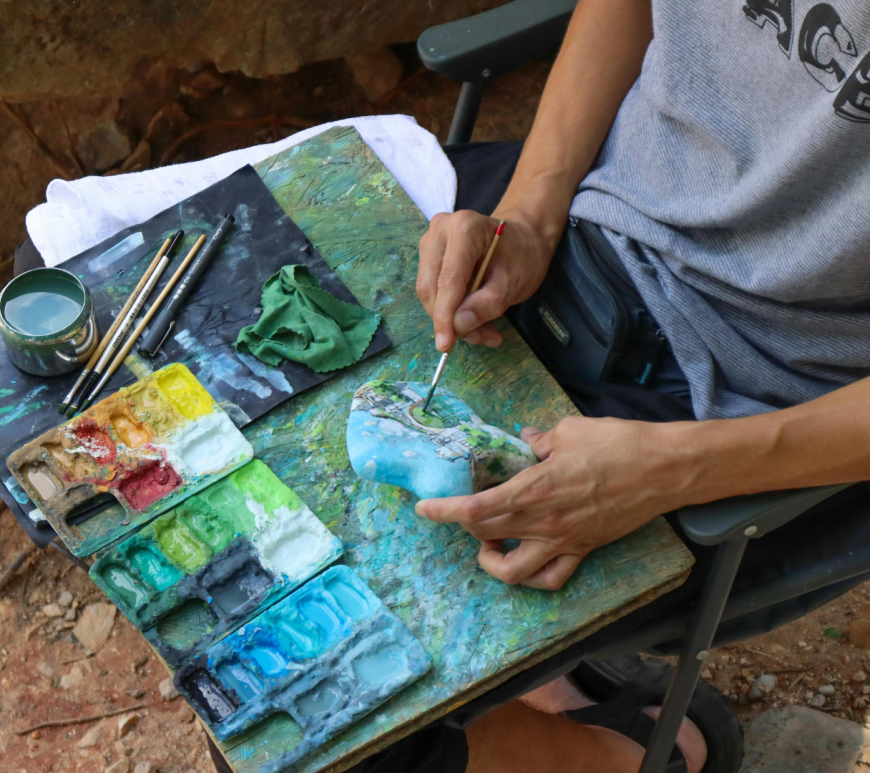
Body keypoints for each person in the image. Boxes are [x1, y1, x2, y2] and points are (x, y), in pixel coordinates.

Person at [205, 0, 870, 771]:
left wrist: (677, 466)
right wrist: (526, 216)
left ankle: (628, 753)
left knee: (300, 734)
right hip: (583, 212)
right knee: (206, 404)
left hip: (746, 395)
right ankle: (543, 693)